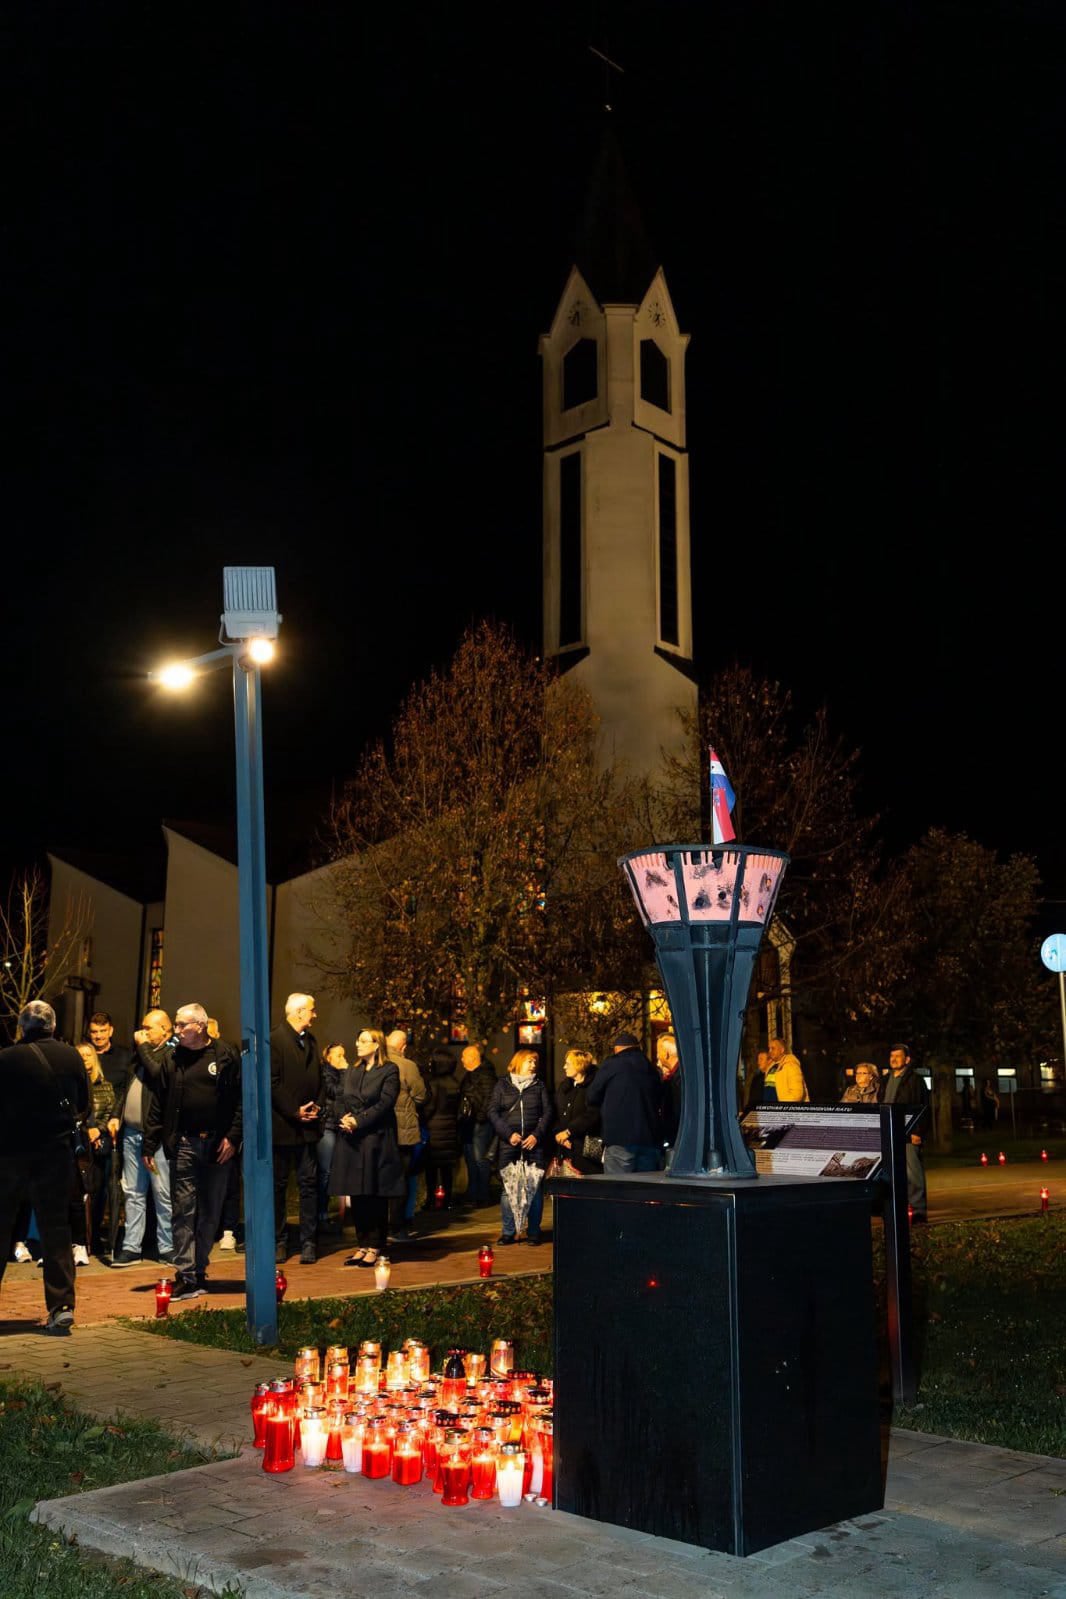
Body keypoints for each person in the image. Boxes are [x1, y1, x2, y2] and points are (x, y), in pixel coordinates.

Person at [143, 1002, 242, 1301]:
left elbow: (240, 1100)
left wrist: (233, 1137)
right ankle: (185, 1274)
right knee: (183, 1210)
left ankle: (199, 1270)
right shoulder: (173, 1058)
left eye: (181, 1025)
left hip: (217, 1145)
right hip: (184, 1143)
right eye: (175, 1024)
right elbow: (159, 1101)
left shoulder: (225, 1055)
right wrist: (151, 1142)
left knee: (210, 1211)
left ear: (200, 1026)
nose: (176, 1030)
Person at [0, 1000, 87, 1333]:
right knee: (56, 1230)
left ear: (22, 1027)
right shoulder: (71, 1056)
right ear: (52, 1026)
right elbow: (83, 1103)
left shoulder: (6, 1059)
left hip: (10, 1154)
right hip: (55, 1154)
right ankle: (61, 1306)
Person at [332, 1027, 404, 1269]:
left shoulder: (389, 1070)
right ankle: (362, 1244)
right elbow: (340, 1097)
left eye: (363, 1041)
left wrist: (359, 1120)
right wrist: (343, 1118)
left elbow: (385, 1103)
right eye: (358, 1040)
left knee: (374, 1192)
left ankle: (375, 1244)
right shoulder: (353, 1071)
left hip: (375, 1139)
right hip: (352, 1140)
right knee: (357, 1193)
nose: (358, 1044)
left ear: (376, 1045)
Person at [110, 1008, 173, 1267]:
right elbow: (127, 1089)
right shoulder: (140, 1056)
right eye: (143, 1027)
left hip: (155, 1138)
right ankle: (131, 1246)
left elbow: (158, 1074)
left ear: (165, 1031)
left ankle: (167, 1246)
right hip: (131, 1133)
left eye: (148, 1028)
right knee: (133, 1192)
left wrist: (143, 1047)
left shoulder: (171, 1053)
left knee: (162, 1193)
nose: (142, 1032)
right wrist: (116, 1115)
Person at [269, 993, 322, 1264]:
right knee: (278, 1187)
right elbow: (272, 1082)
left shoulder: (311, 1041)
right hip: (283, 1127)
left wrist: (317, 1106)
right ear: (299, 1012)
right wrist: (294, 1110)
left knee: (309, 1185)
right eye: (312, 1010)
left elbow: (319, 1078)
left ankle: (308, 1241)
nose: (315, 1015)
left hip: (308, 1129)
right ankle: (280, 1241)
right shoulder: (274, 1039)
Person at [488, 1049, 553, 1244]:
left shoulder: (539, 1085)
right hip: (509, 1144)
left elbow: (548, 1112)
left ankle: (533, 1232)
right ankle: (509, 1232)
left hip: (533, 1145)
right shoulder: (502, 1084)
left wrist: (536, 1135)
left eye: (535, 1061)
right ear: (518, 1062)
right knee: (508, 1189)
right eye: (529, 1061)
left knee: (534, 1189)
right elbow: (492, 1112)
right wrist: (508, 1134)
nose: (533, 1065)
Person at [586, 1031, 662, 1174]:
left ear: (617, 1049)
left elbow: (592, 1096)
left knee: (618, 1186)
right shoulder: (650, 1068)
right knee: (645, 1185)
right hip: (649, 1140)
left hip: (619, 1139)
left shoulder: (612, 1064)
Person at [75, 1043, 119, 1260]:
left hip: (100, 1147)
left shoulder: (106, 1086)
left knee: (99, 1193)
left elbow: (111, 1112)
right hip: (80, 1146)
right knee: (79, 1194)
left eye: (88, 1055)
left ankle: (94, 1238)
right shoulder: (73, 1086)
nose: (85, 1059)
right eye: (81, 1055)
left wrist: (98, 1130)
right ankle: (79, 1238)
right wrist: (86, 1131)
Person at [385, 1029, 427, 1241]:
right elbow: (420, 1095)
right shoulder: (407, 1065)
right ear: (403, 1047)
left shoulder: (374, 1062)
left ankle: (379, 1228)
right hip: (404, 1130)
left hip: (380, 1130)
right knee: (401, 1179)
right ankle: (397, 1227)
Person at [883, 1042, 929, 1223]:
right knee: (891, 1173)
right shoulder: (885, 1080)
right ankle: (895, 1209)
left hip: (909, 1133)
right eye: (891, 1056)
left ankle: (918, 1211)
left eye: (898, 1056)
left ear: (907, 1060)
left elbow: (923, 1107)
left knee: (913, 1173)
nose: (893, 1059)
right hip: (889, 1132)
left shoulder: (915, 1081)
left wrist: (918, 1131)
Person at [456, 1043, 497, 1209]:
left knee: (480, 1160)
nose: (461, 1059)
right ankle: (473, 1194)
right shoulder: (469, 1075)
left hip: (479, 1124)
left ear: (473, 1058)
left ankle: (482, 1195)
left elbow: (489, 1098)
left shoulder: (485, 1075)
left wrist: (480, 1117)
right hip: (468, 1123)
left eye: (464, 1056)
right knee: (471, 1160)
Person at [316, 1041, 350, 1230]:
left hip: (340, 1126)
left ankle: (336, 1212)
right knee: (325, 1171)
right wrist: (345, 1071)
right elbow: (337, 1092)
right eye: (339, 1055)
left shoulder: (341, 1074)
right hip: (327, 1126)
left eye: (344, 1054)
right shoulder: (325, 1073)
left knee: (337, 1171)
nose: (343, 1059)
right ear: (328, 1057)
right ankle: (321, 1213)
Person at [423, 1049, 462, 1211]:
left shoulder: (434, 1084)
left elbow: (430, 1108)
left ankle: (431, 1200)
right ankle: (447, 1200)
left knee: (431, 1169)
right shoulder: (455, 1083)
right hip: (450, 1129)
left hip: (434, 1130)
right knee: (447, 1170)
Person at [551, 1048, 601, 1174]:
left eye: (568, 1064)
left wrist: (569, 1132)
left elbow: (593, 1114)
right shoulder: (565, 1087)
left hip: (586, 1151)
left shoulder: (593, 1087)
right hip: (565, 1149)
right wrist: (559, 1135)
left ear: (579, 1065)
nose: (564, 1067)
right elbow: (556, 1112)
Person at [656, 1033, 682, 1165]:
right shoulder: (675, 1076)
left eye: (658, 1052)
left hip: (677, 1139)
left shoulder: (678, 1078)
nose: (657, 1057)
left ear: (666, 1054)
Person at [763, 1037, 809, 1104]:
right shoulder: (771, 1067)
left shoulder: (790, 1065)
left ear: (782, 1050)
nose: (770, 1051)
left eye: (773, 1048)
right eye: (769, 1048)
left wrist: (782, 1105)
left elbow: (797, 1094)